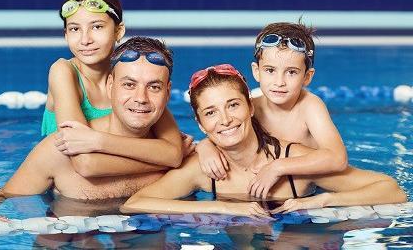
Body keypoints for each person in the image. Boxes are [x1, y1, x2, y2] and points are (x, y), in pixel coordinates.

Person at [0, 37, 182, 232]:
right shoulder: (58, 151)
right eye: (129, 84)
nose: (140, 98)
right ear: (111, 85)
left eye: (154, 87)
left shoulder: (183, 150)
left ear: (168, 92)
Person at [122, 64, 407, 217]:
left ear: (250, 107)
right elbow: (133, 204)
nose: (224, 120)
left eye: (233, 105)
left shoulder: (293, 161)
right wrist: (222, 207)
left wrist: (323, 201)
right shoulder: (203, 169)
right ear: (199, 123)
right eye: (211, 112)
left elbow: (392, 191)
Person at [42, 0, 186, 177]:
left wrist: (97, 140)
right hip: (62, 186)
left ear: (119, 31)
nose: (85, 40)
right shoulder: (63, 71)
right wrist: (161, 161)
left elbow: (173, 153)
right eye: (75, 29)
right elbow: (85, 164)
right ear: (66, 35)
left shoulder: (131, 78)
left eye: (97, 27)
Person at [196, 21, 348, 199]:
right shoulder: (252, 107)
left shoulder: (310, 107)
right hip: (262, 187)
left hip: (307, 192)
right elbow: (224, 130)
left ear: (307, 77)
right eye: (270, 70)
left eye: (291, 72)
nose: (279, 82)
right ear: (256, 71)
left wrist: (278, 167)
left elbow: (338, 159)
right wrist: (204, 146)